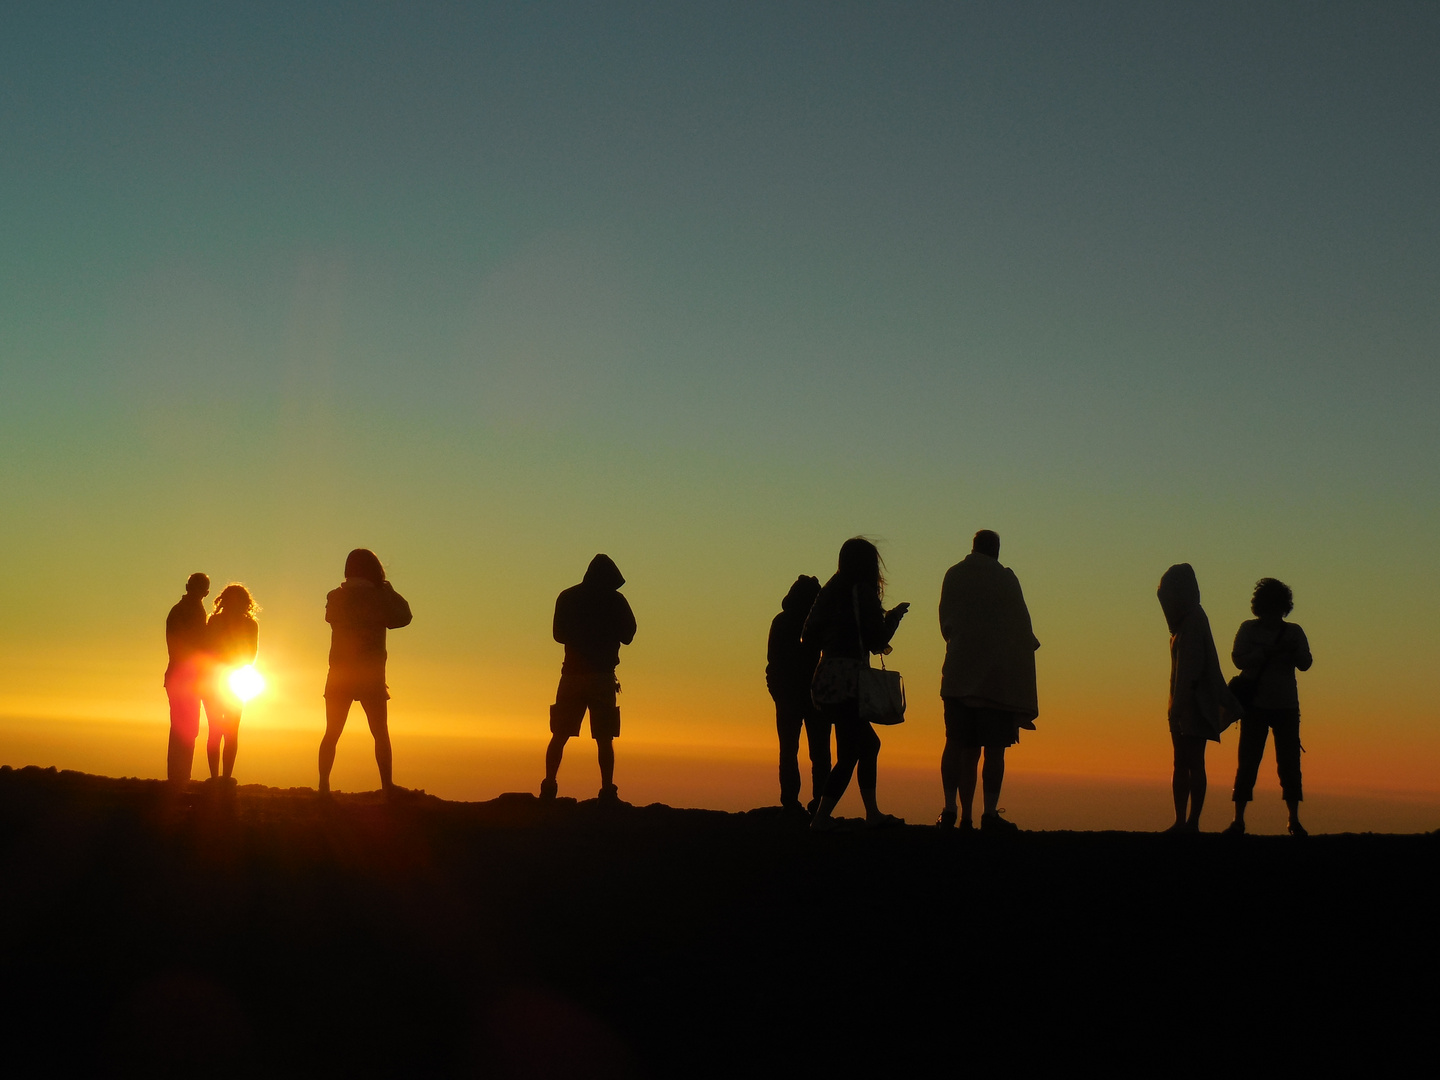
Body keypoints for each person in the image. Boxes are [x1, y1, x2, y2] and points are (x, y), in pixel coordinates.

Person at [936, 531, 1039, 833]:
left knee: (957, 744)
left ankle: (953, 811)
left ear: (973, 547)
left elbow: (947, 623)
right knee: (994, 749)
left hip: (958, 673)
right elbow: (1022, 628)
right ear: (996, 550)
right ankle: (989, 813)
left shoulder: (954, 574)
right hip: (997, 680)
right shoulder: (1007, 580)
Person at [803, 538, 909, 830]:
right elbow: (877, 641)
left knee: (854, 749)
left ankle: (837, 816)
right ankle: (831, 818)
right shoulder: (863, 591)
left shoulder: (829, 589)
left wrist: (833, 643)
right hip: (851, 680)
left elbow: (808, 635)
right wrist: (895, 617)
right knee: (863, 747)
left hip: (826, 679)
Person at [541, 554, 637, 804]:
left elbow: (558, 634)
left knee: (559, 734)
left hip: (571, 674)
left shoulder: (568, 597)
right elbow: (628, 635)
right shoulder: (615, 600)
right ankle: (607, 791)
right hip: (602, 675)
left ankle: (549, 787)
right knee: (604, 738)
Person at [317, 549, 413, 796]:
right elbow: (403, 617)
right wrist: (387, 591)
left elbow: (331, 617)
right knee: (380, 733)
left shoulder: (335, 597)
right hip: (370, 674)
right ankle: (387, 785)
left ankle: (323, 786)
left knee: (332, 732)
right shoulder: (378, 597)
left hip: (340, 673)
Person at [1227, 578, 1313, 837]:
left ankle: (1291, 820)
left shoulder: (1294, 632)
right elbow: (1238, 660)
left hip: (1285, 706)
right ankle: (1240, 821)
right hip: (1258, 705)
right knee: (1248, 762)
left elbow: (1306, 663)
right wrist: (1267, 653)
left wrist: (1292, 652)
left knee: (1288, 764)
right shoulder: (1249, 630)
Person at [1157, 563, 1240, 833]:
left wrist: (1180, 706)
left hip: (1192, 704)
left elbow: (1190, 670)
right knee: (1183, 763)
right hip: (1181, 703)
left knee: (1191, 762)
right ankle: (1183, 820)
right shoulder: (1186, 622)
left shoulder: (1193, 621)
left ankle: (1189, 822)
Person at [766, 574, 828, 815]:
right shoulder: (817, 623)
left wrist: (777, 691)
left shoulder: (782, 621)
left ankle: (793, 801)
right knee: (819, 752)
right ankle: (819, 801)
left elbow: (773, 662)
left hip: (792, 696)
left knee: (791, 751)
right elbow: (774, 662)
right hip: (812, 696)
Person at [202, 584, 259, 784]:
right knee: (228, 731)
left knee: (218, 731)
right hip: (232, 681)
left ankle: (217, 776)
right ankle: (223, 777)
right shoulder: (250, 625)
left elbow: (206, 650)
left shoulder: (215, 621)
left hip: (216, 680)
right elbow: (250, 657)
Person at [163, 572, 211, 782]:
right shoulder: (190, 612)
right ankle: (179, 777)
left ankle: (179, 775)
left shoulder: (181, 610)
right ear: (206, 592)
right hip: (186, 678)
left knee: (184, 727)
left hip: (181, 676)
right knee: (186, 727)